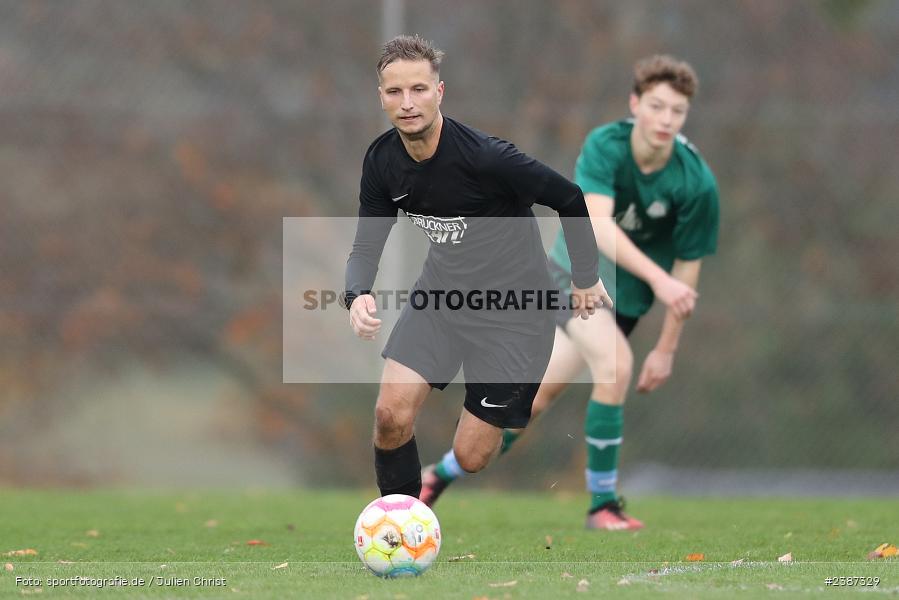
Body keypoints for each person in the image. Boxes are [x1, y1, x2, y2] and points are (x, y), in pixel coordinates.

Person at [420, 55, 720, 531]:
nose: (665, 119)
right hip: (569, 276)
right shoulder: (606, 145)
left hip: (625, 302)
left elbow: (686, 275)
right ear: (635, 103)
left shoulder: (697, 183)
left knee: (530, 403)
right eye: (657, 106)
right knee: (616, 364)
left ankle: (436, 477)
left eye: (677, 111)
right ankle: (603, 506)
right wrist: (661, 280)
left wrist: (666, 348)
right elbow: (596, 226)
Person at [344, 34, 612, 501]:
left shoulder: (487, 158)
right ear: (381, 98)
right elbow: (367, 244)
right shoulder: (382, 161)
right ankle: (402, 528)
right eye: (395, 92)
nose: (408, 103)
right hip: (441, 300)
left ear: (439, 92)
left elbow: (570, 199)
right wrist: (357, 293)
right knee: (390, 417)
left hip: (516, 317)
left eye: (419, 89)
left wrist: (586, 279)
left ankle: (440, 480)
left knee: (471, 456)